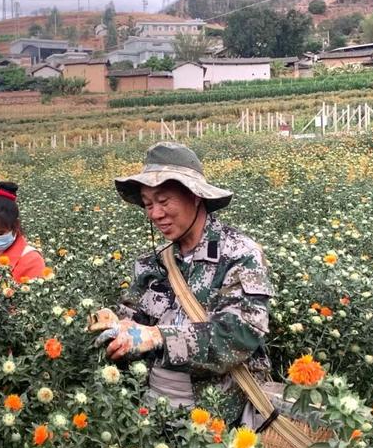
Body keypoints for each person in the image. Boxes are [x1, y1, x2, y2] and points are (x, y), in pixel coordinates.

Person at [89, 142, 274, 425]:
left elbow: (240, 335)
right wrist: (117, 324)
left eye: (163, 202)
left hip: (216, 427)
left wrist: (159, 336)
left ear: (196, 196)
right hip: (153, 419)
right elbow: (136, 318)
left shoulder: (239, 254)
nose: (155, 214)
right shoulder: (155, 263)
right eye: (148, 204)